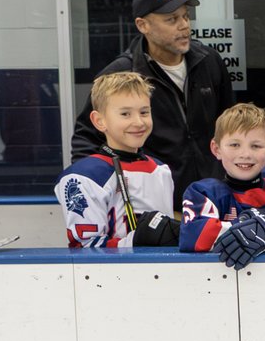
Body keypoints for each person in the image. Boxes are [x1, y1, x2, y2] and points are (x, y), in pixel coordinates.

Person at [71, 0, 234, 209]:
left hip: (213, 199)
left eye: (186, 16)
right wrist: (94, 196)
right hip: (154, 207)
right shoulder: (121, 73)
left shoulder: (209, 60)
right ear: (143, 25)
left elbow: (229, 124)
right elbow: (86, 140)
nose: (184, 26)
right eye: (172, 19)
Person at [54, 72, 178, 248]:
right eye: (125, 114)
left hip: (161, 272)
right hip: (108, 274)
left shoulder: (161, 170)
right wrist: (137, 241)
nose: (138, 122)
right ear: (99, 121)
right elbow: (85, 247)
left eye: (144, 112)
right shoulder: (82, 177)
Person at [180, 103, 265, 269]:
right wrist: (260, 224)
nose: (245, 154)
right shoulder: (203, 192)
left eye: (256, 146)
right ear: (216, 149)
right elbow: (196, 237)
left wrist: (263, 228)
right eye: (234, 145)